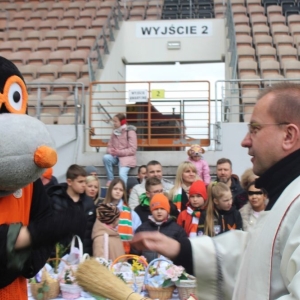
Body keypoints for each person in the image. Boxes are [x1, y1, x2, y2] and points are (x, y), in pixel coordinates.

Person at [131, 82, 300, 299]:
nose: (245, 141)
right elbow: (259, 261)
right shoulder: (285, 193)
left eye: (255, 129)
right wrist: (182, 250)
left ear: (288, 135)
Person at [47, 164, 96, 256]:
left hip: (81, 254)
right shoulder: (55, 200)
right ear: (69, 182)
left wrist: (86, 254)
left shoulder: (88, 203)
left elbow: (89, 233)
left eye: (85, 182)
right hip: (57, 255)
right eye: (80, 182)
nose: (84, 185)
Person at [131, 194, 187, 262]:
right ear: (151, 211)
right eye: (156, 209)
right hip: (146, 269)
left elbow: (183, 254)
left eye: (162, 208)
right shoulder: (142, 229)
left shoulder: (178, 230)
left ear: (168, 210)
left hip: (170, 270)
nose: (159, 211)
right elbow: (134, 254)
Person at [103, 178, 141, 253]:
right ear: (110, 190)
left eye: (121, 190)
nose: (118, 191)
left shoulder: (131, 213)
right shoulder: (102, 211)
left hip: (125, 254)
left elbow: (138, 232)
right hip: (107, 252)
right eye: (115, 189)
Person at [102, 113, 137, 187]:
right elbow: (109, 146)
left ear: (122, 122)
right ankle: (110, 180)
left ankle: (124, 192)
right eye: (113, 121)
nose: (114, 123)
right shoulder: (114, 132)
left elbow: (133, 150)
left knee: (122, 174)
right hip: (115, 157)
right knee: (106, 157)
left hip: (126, 158)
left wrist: (119, 152)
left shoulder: (130, 132)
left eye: (115, 121)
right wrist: (111, 151)